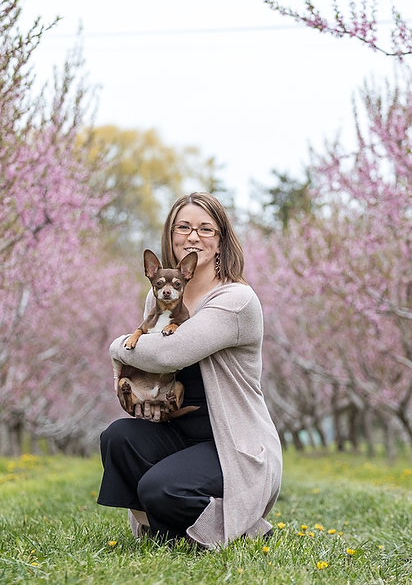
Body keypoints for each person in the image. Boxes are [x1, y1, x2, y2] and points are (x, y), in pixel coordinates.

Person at [97, 192, 283, 549]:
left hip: (233, 442)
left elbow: (168, 353)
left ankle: (243, 526)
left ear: (220, 243)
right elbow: (145, 361)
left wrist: (116, 347)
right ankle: (163, 529)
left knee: (160, 487)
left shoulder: (235, 300)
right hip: (178, 430)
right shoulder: (160, 296)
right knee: (117, 438)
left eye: (205, 229)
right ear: (170, 236)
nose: (193, 236)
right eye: (183, 227)